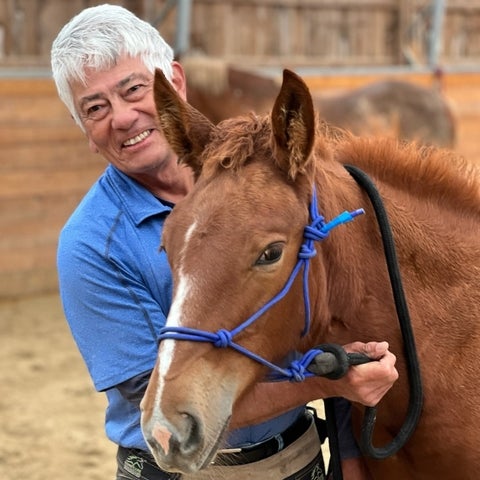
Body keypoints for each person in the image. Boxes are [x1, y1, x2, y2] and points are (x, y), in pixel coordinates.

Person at [51, 4, 398, 480]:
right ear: (85, 131)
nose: (124, 117)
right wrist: (331, 384)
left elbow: (330, 322)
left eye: (133, 89)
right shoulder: (91, 245)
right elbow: (155, 402)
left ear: (174, 82)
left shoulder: (265, 188)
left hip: (297, 461)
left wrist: (350, 458)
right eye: (95, 108)